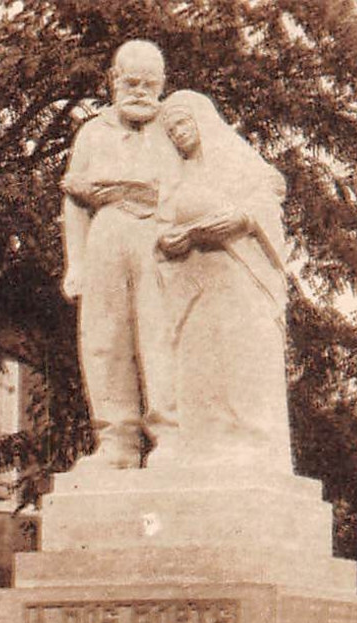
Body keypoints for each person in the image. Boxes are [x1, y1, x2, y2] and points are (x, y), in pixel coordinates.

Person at [152, 91, 292, 471]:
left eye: (183, 123)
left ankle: (250, 441)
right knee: (199, 360)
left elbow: (268, 195)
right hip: (194, 279)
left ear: (202, 120)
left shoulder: (236, 161)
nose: (179, 134)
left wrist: (243, 219)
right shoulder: (177, 178)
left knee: (240, 354)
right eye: (171, 129)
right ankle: (204, 443)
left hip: (238, 272)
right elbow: (161, 228)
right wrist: (173, 238)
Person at [60, 40, 182, 469]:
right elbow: (74, 202)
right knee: (105, 338)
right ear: (113, 80)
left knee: (160, 336)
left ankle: (171, 435)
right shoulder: (92, 133)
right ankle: (116, 442)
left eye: (151, 83)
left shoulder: (173, 130)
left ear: (163, 85)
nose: (140, 91)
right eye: (131, 81)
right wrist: (75, 263)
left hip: (158, 236)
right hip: (107, 236)